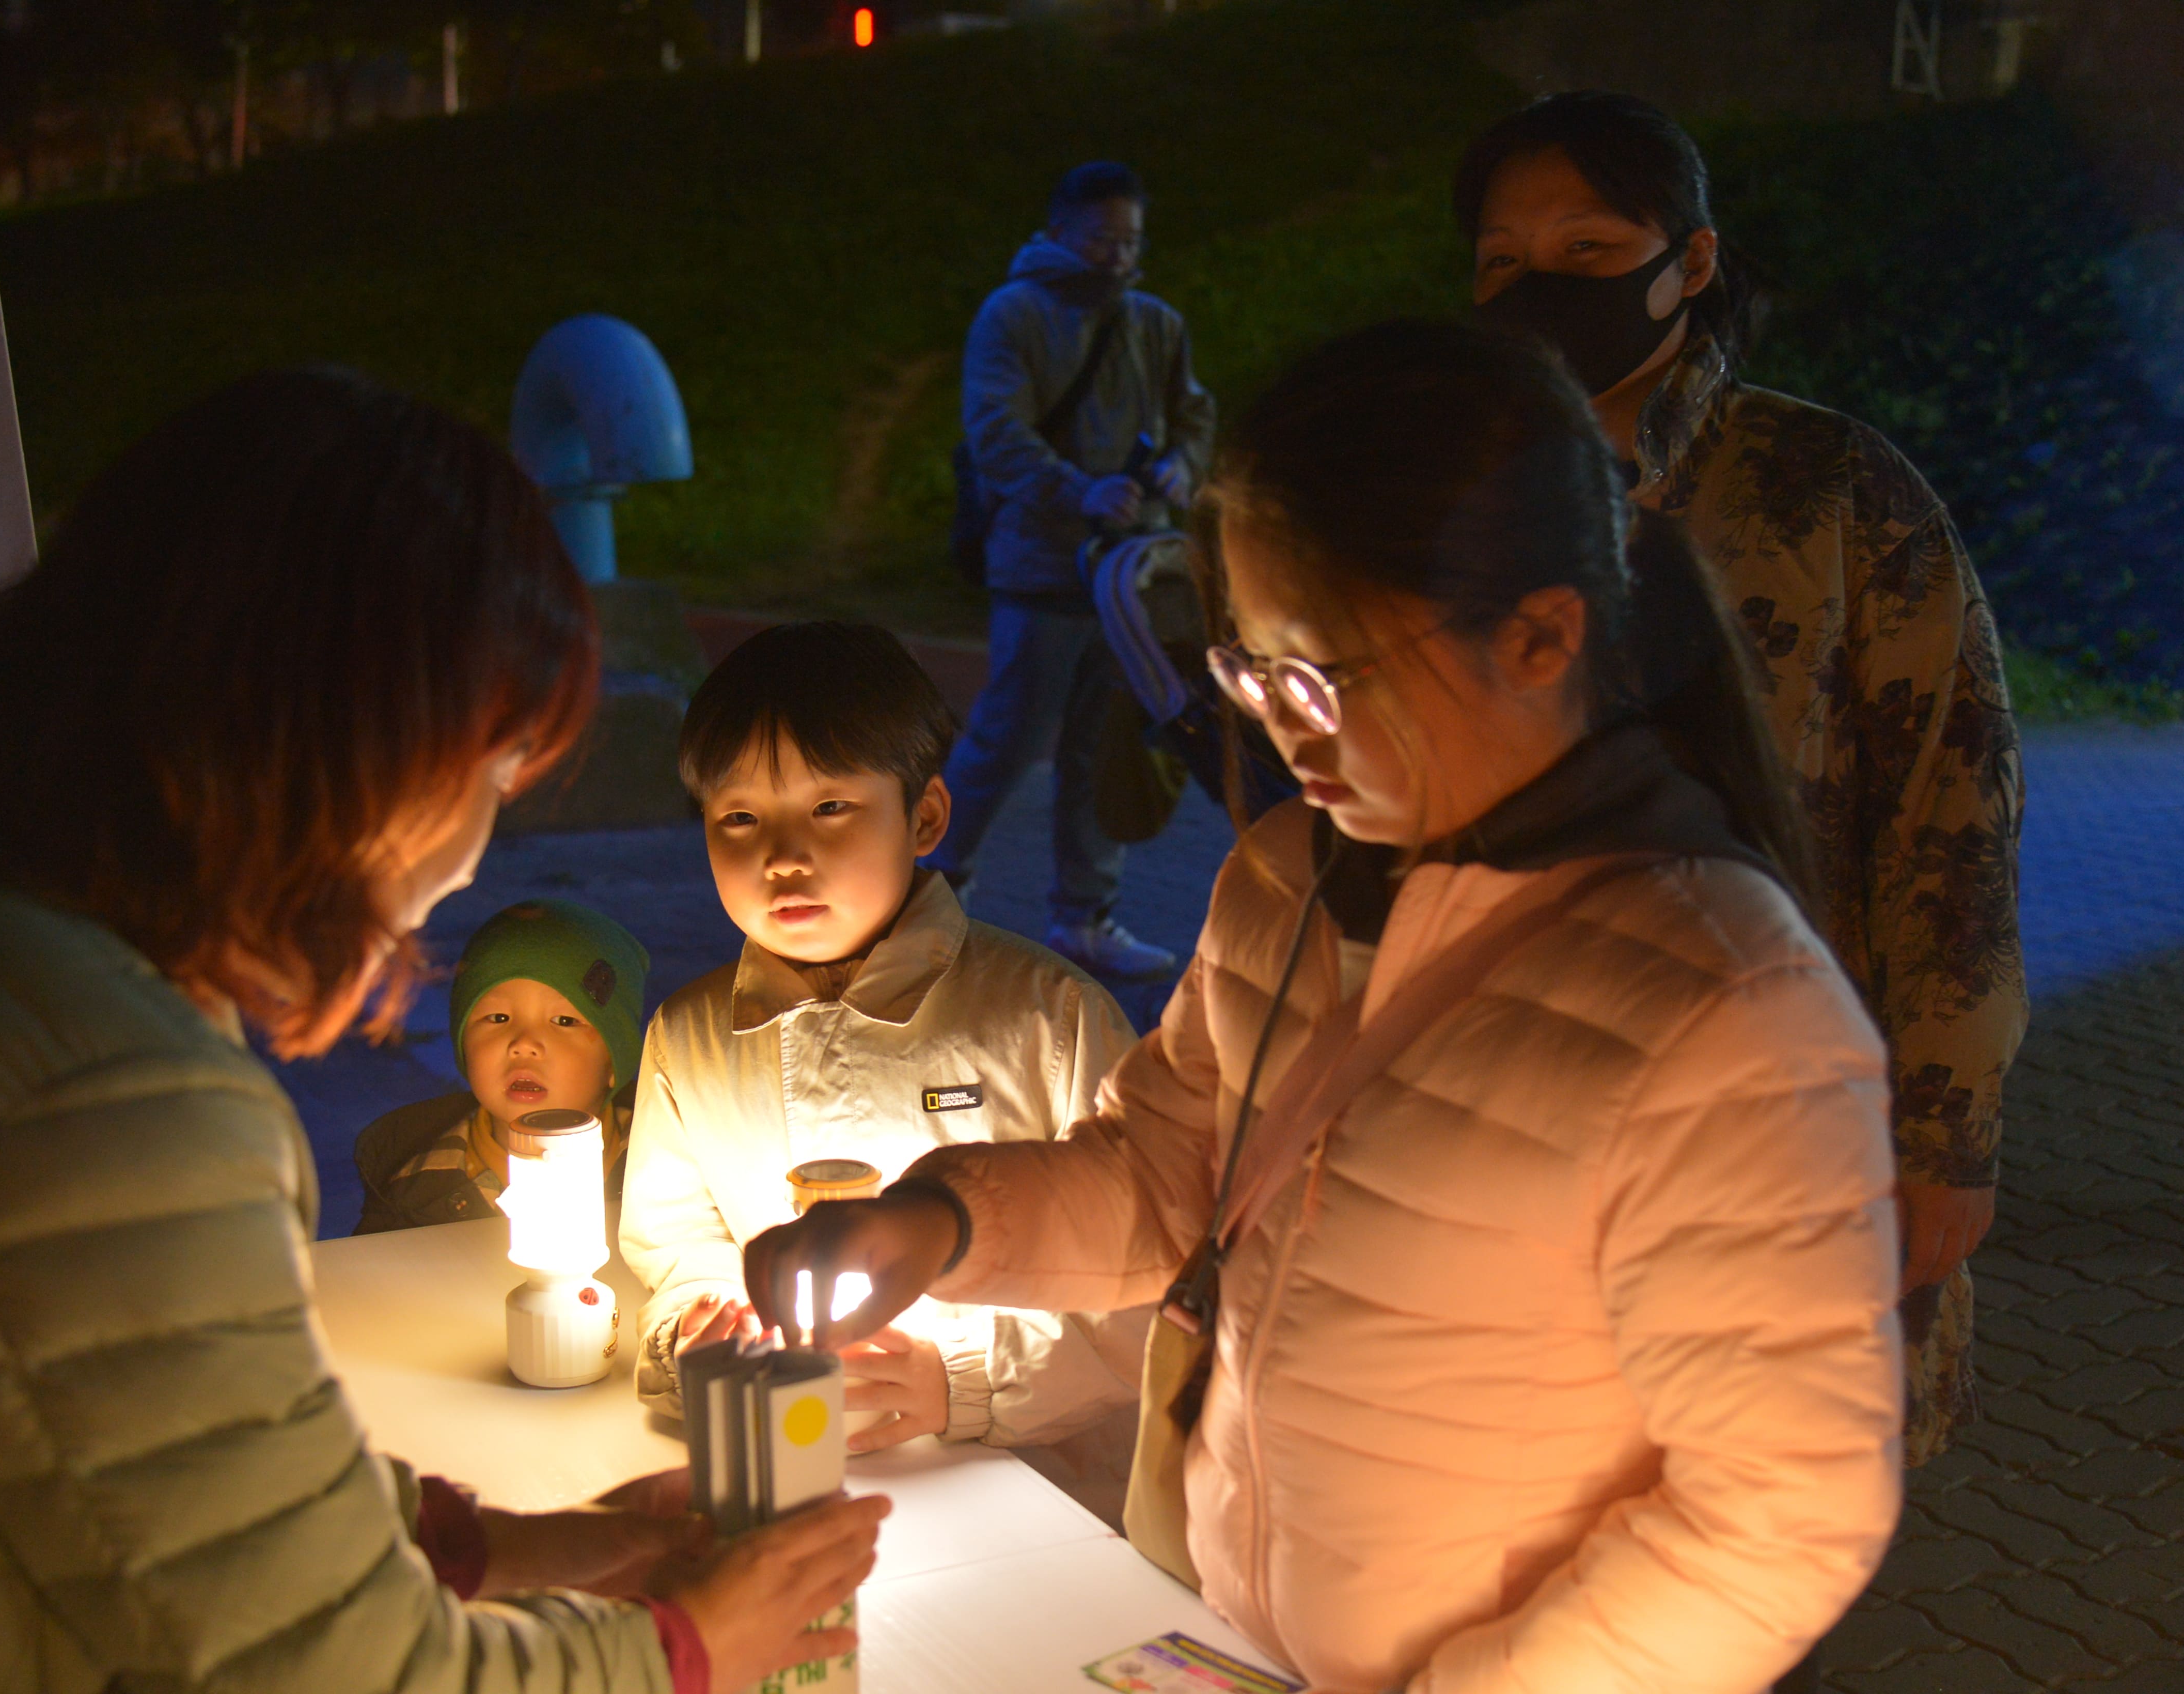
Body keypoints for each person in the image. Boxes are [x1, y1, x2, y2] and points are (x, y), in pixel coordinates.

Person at [0, 368, 884, 1694]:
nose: (471, 853)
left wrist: (517, 1546)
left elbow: (138, 1476)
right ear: (359, 746)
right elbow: (327, 1671)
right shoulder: (108, 1101)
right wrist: (686, 1646)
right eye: (492, 771)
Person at [743, 323, 1907, 1693]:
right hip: (1239, 1633)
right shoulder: (1290, 882)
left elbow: (1779, 1512)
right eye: (1247, 671)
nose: (1283, 734)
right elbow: (1169, 1173)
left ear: (1541, 635)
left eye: (1322, 678)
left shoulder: (1726, 1004)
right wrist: (936, 1226)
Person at [1457, 90, 2025, 1467]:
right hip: (1511, 1127)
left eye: (1591, 254)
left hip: (1789, 1130)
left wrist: (1944, 1140)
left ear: (1691, 264)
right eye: (1501, 262)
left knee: (1761, 1530)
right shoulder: (1451, 497)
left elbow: (1950, 824)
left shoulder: (1827, 495)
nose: (1540, 290)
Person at [619, 622, 1147, 1514]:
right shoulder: (690, 1034)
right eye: (739, 818)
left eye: (830, 809)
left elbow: (1138, 1277)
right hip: (784, 1468)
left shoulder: (1044, 1019)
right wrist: (697, 1328)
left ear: (927, 816)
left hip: (1030, 1487)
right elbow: (675, 1242)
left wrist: (962, 1382)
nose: (782, 856)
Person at [926, 160, 1219, 980]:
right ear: (1058, 232)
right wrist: (1080, 492)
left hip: (1130, 576)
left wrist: (1181, 471)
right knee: (1006, 739)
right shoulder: (1013, 315)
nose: (1118, 256)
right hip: (1043, 567)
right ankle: (928, 901)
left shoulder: (1155, 322)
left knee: (1106, 746)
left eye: (1130, 241)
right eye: (1102, 239)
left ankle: (1085, 918)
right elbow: (997, 433)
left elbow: (1194, 412)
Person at [355, 898, 650, 1232]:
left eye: (565, 1020)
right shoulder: (413, 1185)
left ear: (616, 1060)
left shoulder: (667, 1167)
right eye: (498, 1018)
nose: (524, 1044)